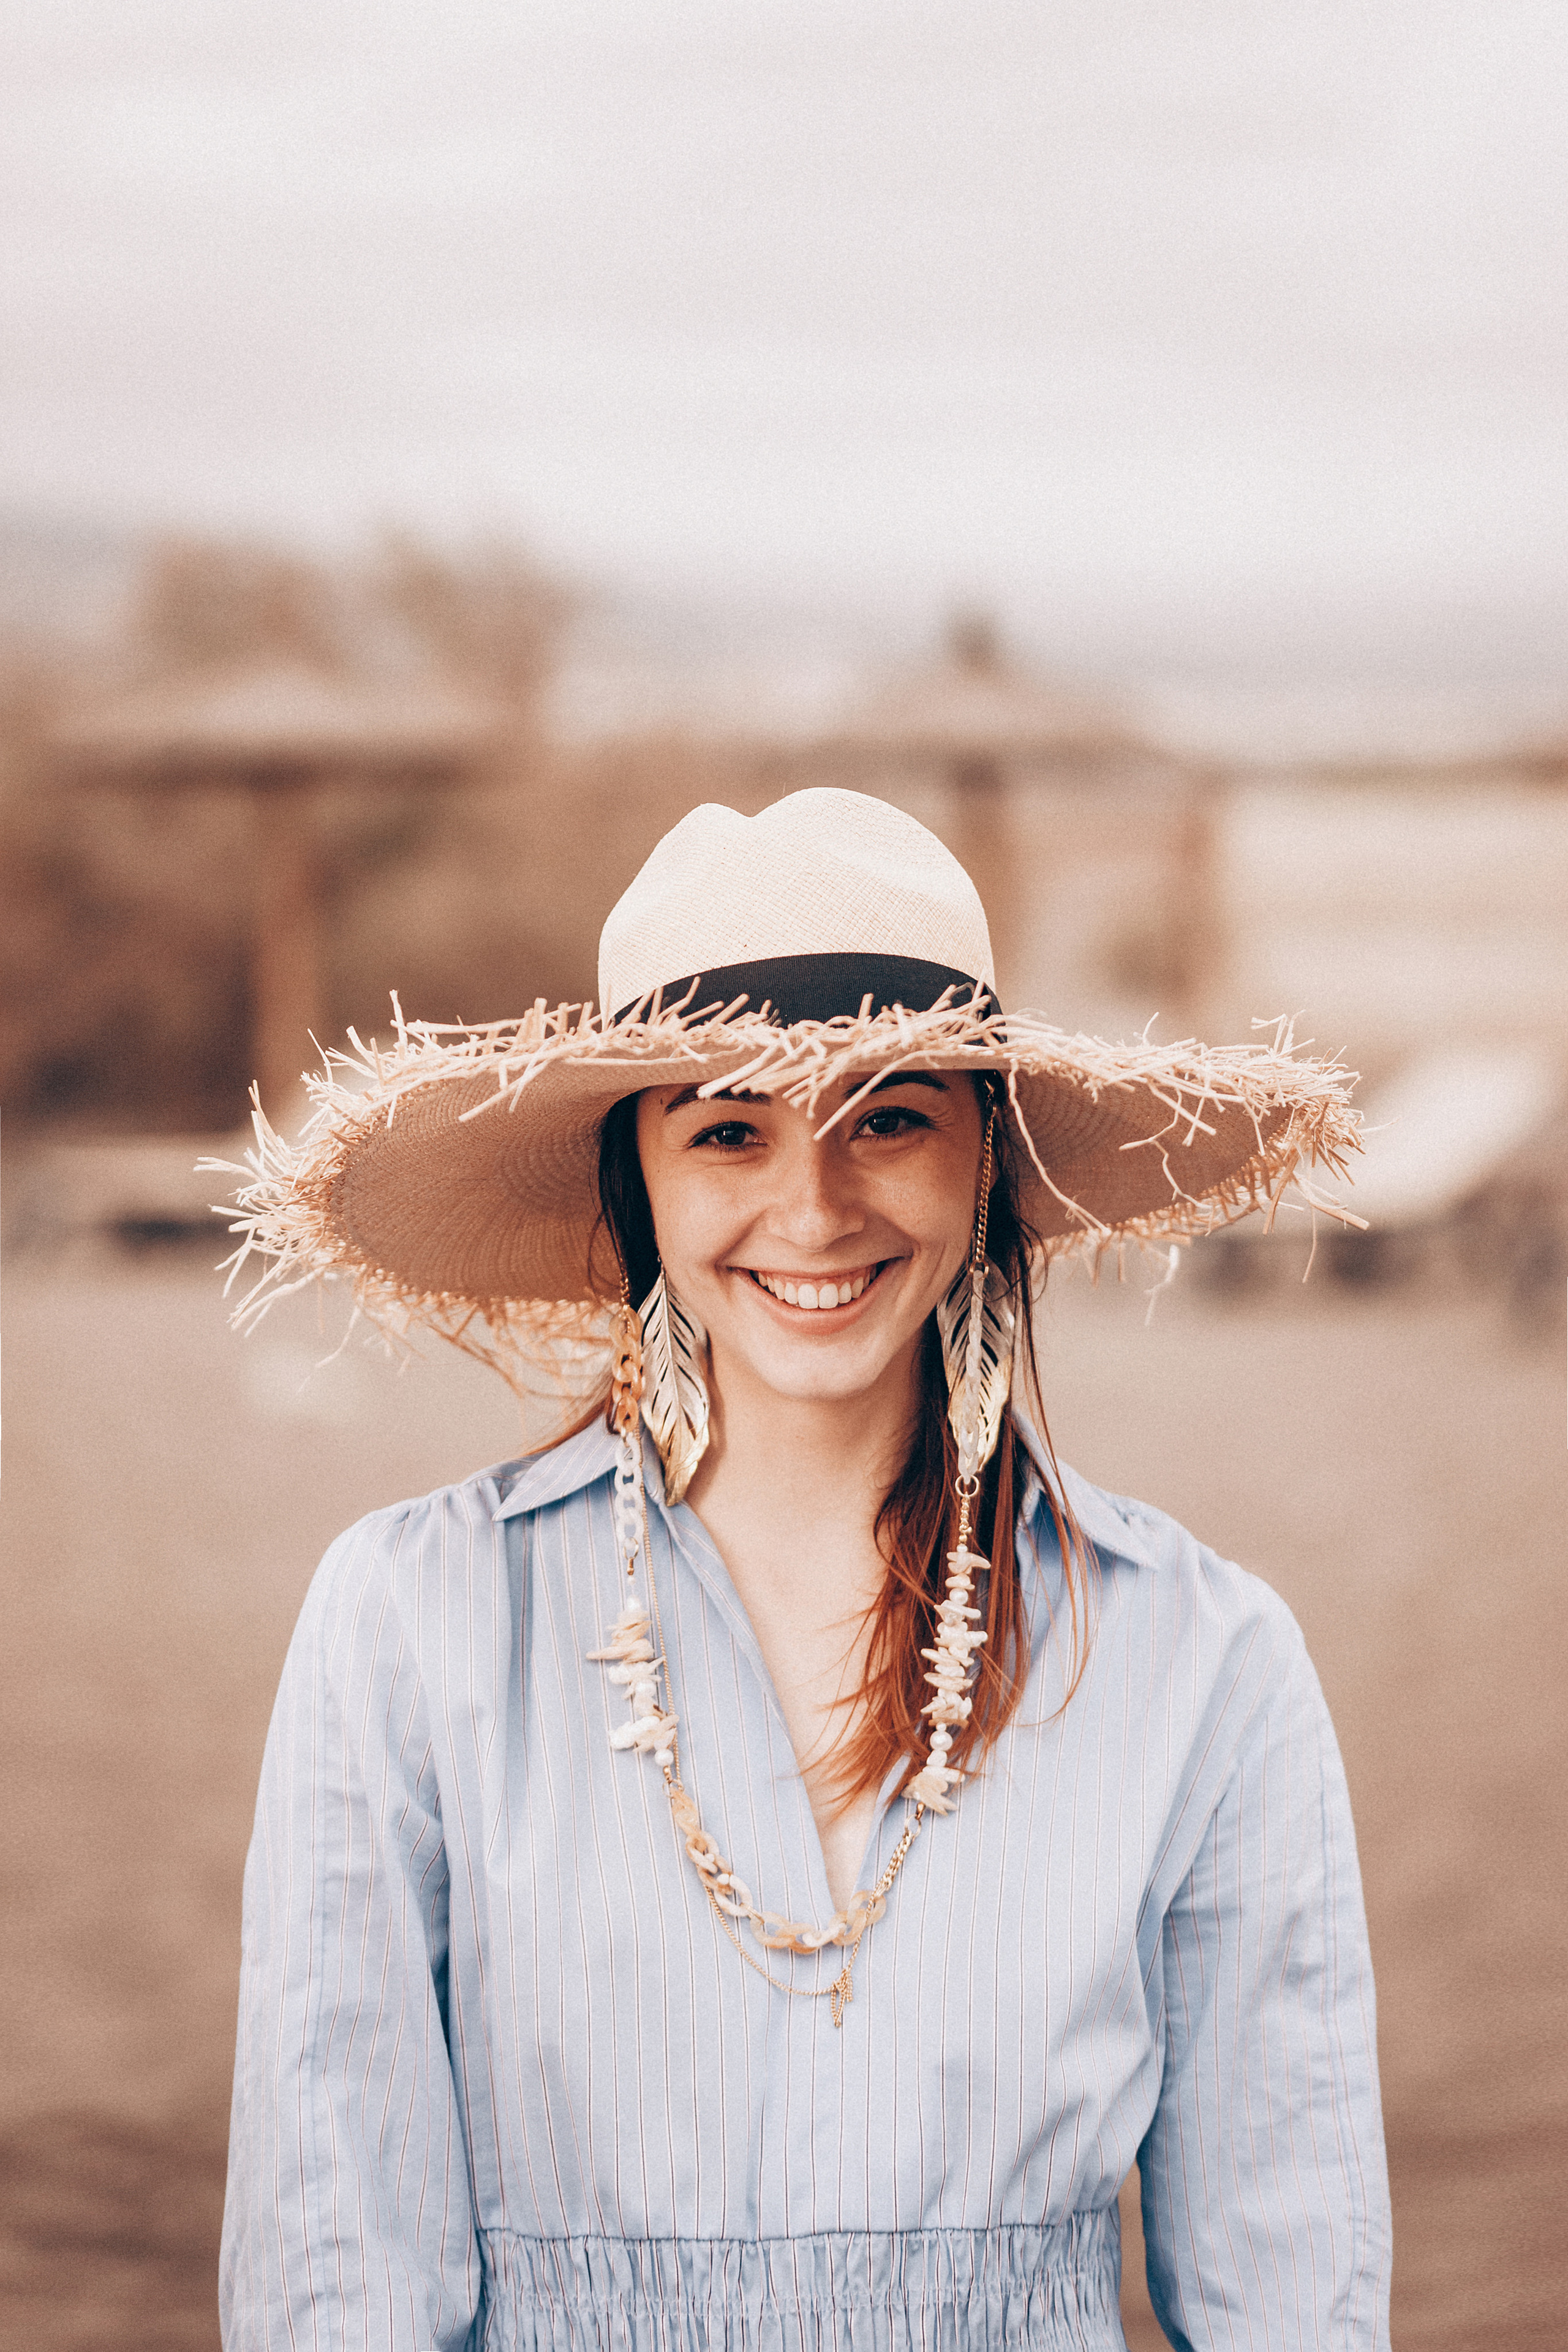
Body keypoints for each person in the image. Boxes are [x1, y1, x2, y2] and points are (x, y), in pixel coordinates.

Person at [218, 789, 1391, 2350]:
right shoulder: (411, 1625)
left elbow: (1293, 2299)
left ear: (987, 1152)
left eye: (890, 1117)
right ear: (636, 1175)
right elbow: (331, 2281)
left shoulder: (1203, 1659)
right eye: (726, 1129)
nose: (815, 1207)